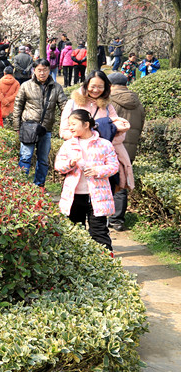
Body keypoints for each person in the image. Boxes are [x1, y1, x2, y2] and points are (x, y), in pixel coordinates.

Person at [54, 109, 119, 252]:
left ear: (86, 124)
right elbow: (58, 166)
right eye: (69, 124)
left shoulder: (104, 144)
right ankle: (78, 262)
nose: (70, 127)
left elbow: (114, 166)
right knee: (75, 232)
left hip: (97, 196)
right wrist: (70, 164)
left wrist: (97, 170)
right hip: (74, 196)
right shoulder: (68, 145)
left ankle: (106, 261)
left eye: (73, 124)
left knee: (99, 232)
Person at [12, 60, 68, 187]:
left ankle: (39, 185)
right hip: (29, 127)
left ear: (49, 70)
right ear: (34, 71)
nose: (42, 73)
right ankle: (21, 185)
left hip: (46, 129)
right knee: (25, 157)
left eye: (45, 70)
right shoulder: (26, 86)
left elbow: (64, 106)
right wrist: (17, 126)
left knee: (43, 159)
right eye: (39, 70)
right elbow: (18, 106)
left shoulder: (56, 87)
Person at [107, 72, 146, 231]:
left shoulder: (110, 101)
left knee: (106, 181)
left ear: (111, 85)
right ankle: (117, 220)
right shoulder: (137, 102)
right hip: (129, 148)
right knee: (121, 182)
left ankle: (104, 215)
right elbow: (141, 125)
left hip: (112, 146)